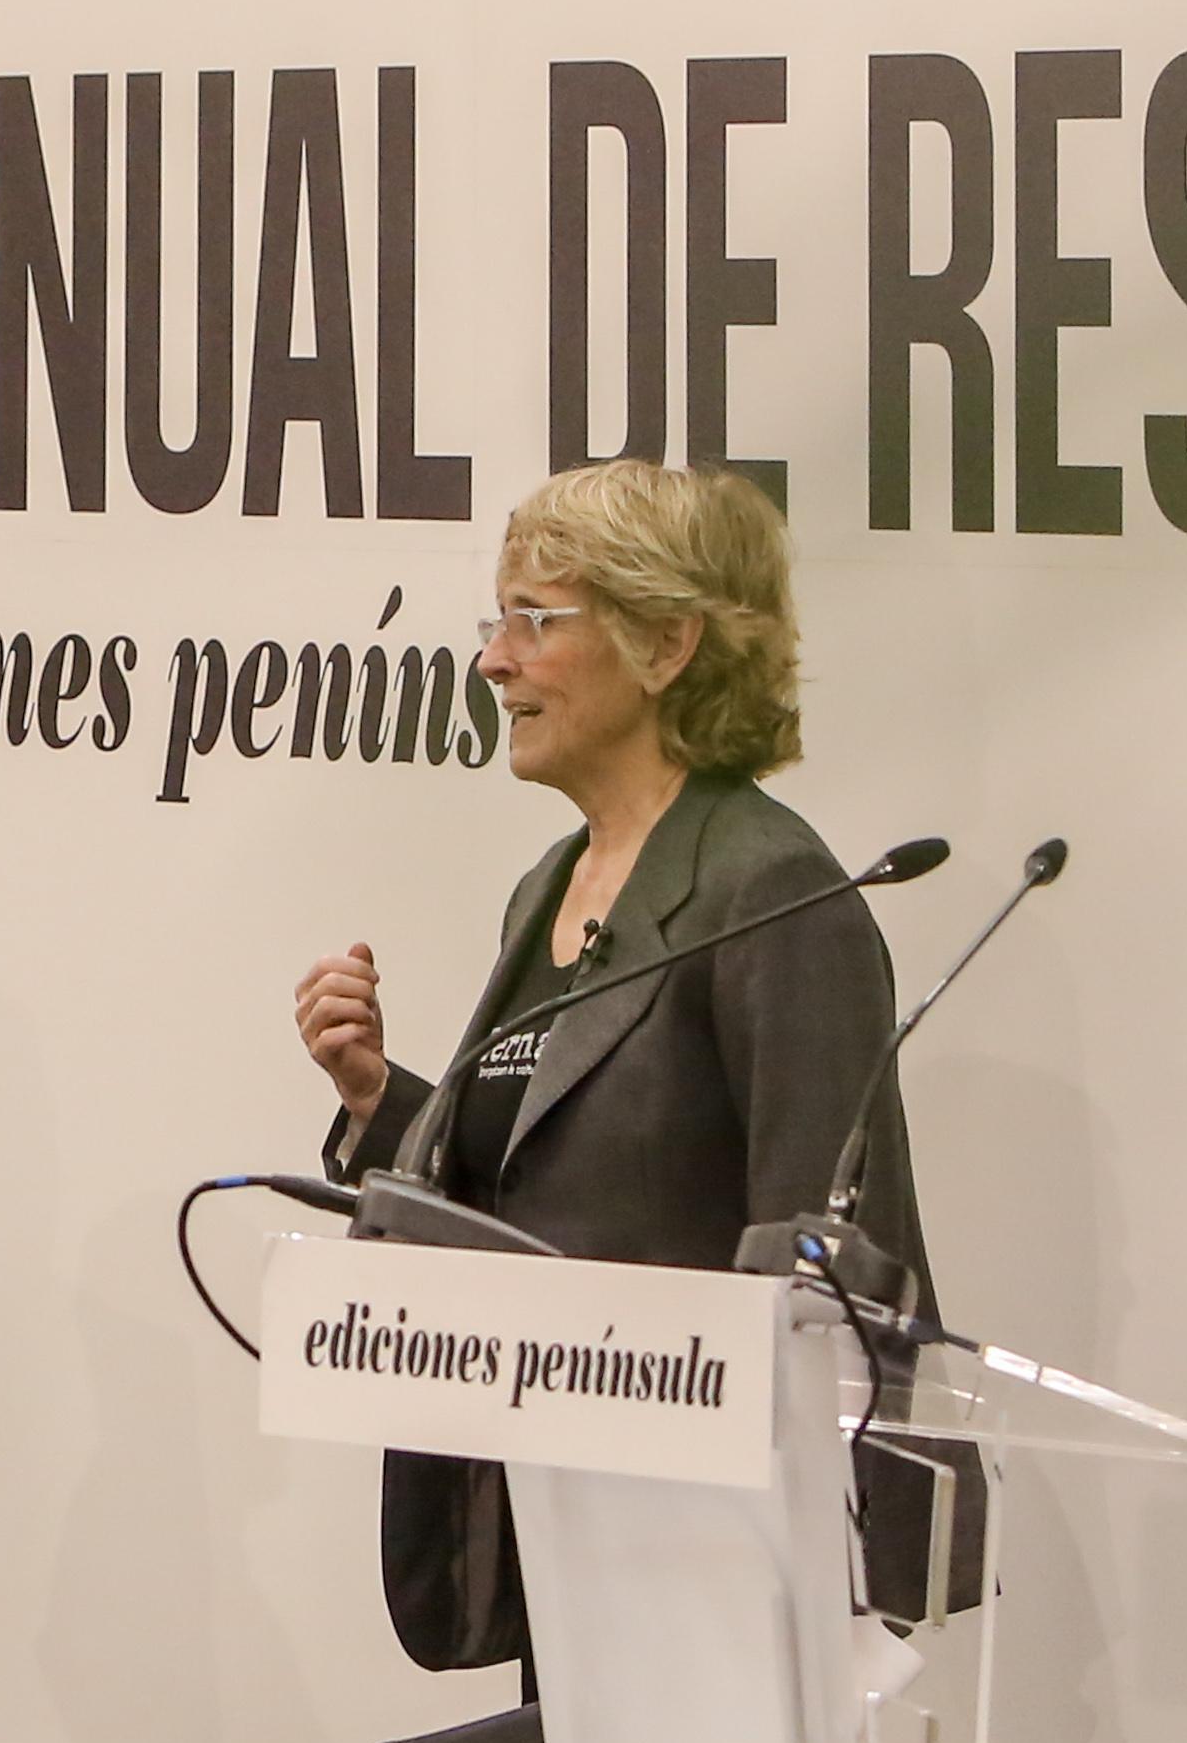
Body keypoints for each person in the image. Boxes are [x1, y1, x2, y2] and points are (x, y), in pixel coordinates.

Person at [286, 457, 931, 1668]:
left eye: (535, 620)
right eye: (499, 620)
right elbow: (553, 1187)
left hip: (718, 1576)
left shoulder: (768, 887)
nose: (493, 660)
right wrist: (384, 1105)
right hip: (565, 1538)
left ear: (668, 643)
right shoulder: (552, 886)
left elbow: (831, 1264)